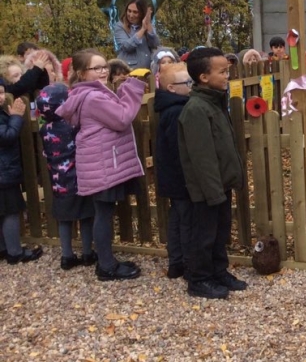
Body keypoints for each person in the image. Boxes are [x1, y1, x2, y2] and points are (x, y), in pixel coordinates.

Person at [56, 49, 145, 281]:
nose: (103, 71)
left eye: (104, 66)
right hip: (103, 163)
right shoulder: (94, 97)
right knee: (103, 214)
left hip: (101, 161)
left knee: (103, 212)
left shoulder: (90, 93)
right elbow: (122, 118)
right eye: (96, 68)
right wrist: (132, 89)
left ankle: (107, 261)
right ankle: (106, 266)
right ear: (82, 73)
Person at [178, 47, 247, 299]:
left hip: (221, 184)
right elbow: (202, 158)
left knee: (220, 232)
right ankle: (199, 278)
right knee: (204, 235)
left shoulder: (215, 102)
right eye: (222, 72)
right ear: (203, 77)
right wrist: (213, 190)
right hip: (208, 188)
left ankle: (218, 271)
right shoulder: (197, 109)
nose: (227, 76)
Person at [35, 83, 96, 270]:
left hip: (58, 181)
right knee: (86, 216)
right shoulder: (73, 125)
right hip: (79, 178)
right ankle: (87, 253)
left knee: (64, 219)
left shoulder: (45, 129)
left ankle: (66, 255)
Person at [154, 63, 193, 280]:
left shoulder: (171, 108)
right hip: (179, 177)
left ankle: (176, 262)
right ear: (171, 88)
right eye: (186, 83)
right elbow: (179, 149)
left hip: (173, 177)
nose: (191, 86)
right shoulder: (177, 111)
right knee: (185, 219)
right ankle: (186, 262)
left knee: (178, 218)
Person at [0, 78, 43, 264]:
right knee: (10, 211)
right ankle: (15, 252)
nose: (1, 97)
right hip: (4, 172)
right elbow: (7, 136)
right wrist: (16, 117)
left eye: (2, 92)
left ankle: (3, 248)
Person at [113, 0, 159, 70]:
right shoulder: (119, 26)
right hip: (129, 70)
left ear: (141, 13)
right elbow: (127, 46)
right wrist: (142, 30)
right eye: (129, 11)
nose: (131, 15)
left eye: (135, 12)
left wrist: (148, 23)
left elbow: (155, 44)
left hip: (148, 70)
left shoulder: (148, 25)